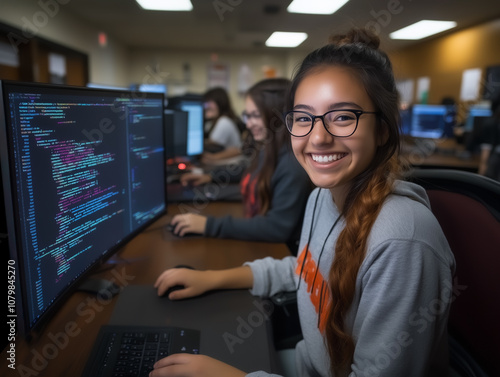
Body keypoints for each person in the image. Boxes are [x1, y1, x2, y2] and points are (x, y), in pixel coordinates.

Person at [152, 28, 455, 377]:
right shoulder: (321, 197)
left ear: (383, 130)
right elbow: (304, 271)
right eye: (303, 118)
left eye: (343, 116)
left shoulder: (404, 241)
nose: (319, 137)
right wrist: (212, 279)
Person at [170, 78, 312, 254]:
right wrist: (211, 176)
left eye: (255, 115)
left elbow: (277, 227)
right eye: (247, 115)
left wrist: (208, 225)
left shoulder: (292, 164)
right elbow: (250, 171)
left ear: (277, 115)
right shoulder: (270, 149)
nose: (248, 123)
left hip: (283, 254)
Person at [202, 87, 243, 162]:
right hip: (226, 161)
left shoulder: (224, 121)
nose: (206, 105)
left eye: (209, 102)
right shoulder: (214, 121)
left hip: (231, 162)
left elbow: (211, 143)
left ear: (220, 103)